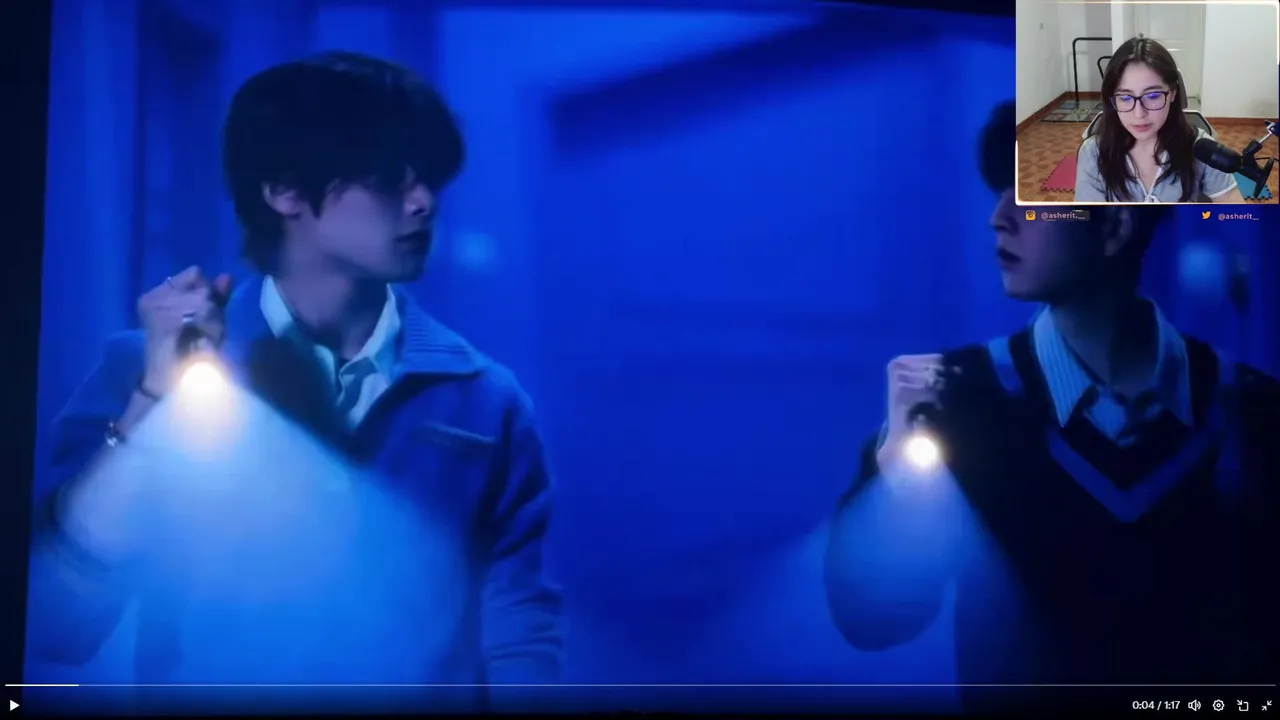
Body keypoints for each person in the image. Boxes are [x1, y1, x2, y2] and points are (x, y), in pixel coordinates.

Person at [27, 51, 561, 713]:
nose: (423, 202)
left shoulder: (485, 400)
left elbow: (518, 624)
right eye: (390, 178)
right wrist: (153, 403)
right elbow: (59, 623)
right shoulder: (143, 368)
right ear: (284, 191)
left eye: (429, 177)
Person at [826, 100, 1278, 712]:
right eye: (999, 194)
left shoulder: (1249, 410)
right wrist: (898, 476)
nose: (999, 219)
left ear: (1115, 227)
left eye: (1031, 196)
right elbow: (873, 620)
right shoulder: (954, 397)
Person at [1075, 36, 1245, 203]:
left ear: (1172, 93)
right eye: (1125, 98)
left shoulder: (1201, 149)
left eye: (1153, 96)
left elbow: (1235, 211)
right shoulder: (1094, 153)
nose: (1139, 114)